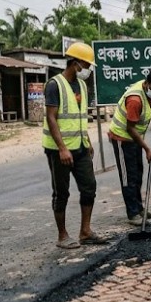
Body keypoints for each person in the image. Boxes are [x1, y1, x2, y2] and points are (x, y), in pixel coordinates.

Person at [43, 42, 105, 249]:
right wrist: (62, 148)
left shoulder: (82, 86)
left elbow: (80, 117)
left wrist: (86, 141)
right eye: (86, 65)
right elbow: (51, 118)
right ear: (75, 63)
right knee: (61, 193)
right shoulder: (54, 85)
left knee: (89, 188)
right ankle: (62, 236)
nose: (87, 69)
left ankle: (85, 232)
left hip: (80, 147)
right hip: (58, 150)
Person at [108, 70, 151, 225]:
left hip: (134, 139)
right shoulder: (135, 99)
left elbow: (150, 104)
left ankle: (140, 209)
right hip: (122, 138)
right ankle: (132, 214)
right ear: (146, 84)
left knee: (138, 173)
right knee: (129, 177)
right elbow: (130, 128)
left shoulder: (149, 92)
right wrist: (147, 149)